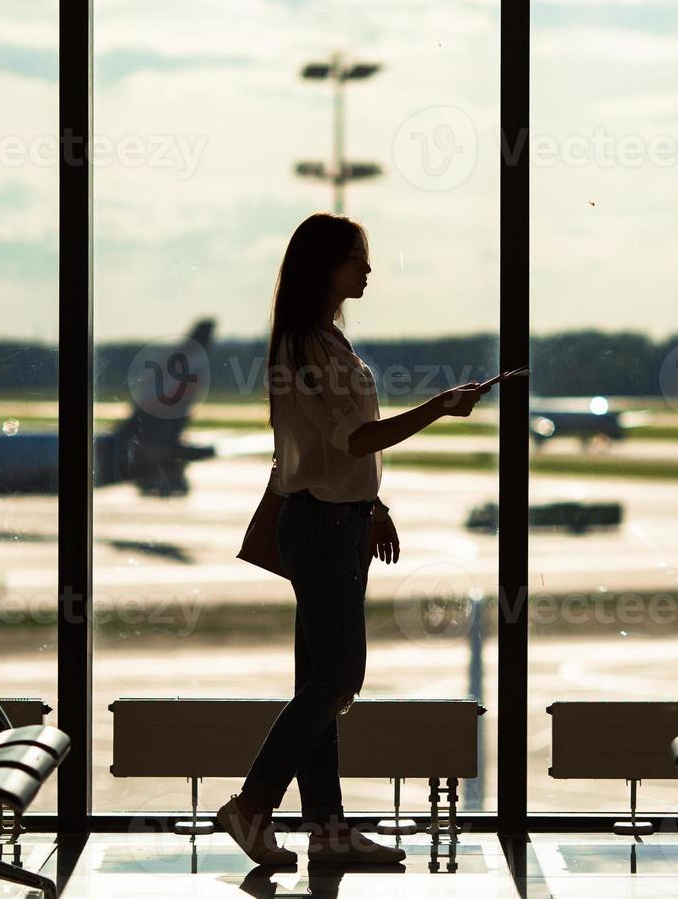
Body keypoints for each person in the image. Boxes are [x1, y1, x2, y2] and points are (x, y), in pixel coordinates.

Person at [215, 212, 485, 866]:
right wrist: (439, 408)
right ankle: (253, 804)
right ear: (326, 266)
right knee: (336, 680)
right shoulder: (308, 345)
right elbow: (353, 439)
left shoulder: (324, 340)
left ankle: (328, 830)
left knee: (320, 681)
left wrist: (374, 502)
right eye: (357, 259)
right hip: (321, 526)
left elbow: (333, 453)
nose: (368, 270)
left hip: (338, 519)